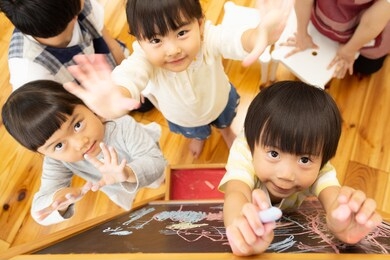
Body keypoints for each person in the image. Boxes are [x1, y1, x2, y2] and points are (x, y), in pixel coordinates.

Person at [62, 0, 293, 158]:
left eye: (182, 33)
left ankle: (225, 131)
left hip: (220, 100)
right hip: (183, 118)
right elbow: (129, 77)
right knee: (196, 131)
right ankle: (200, 137)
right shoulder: (144, 60)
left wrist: (257, 35)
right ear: (140, 42)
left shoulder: (208, 38)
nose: (172, 50)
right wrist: (116, 96)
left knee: (225, 120)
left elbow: (235, 40)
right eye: (155, 40)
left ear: (200, 25)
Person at [218, 81, 382, 256]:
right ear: (252, 146)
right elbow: (237, 192)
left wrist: (341, 219)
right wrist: (240, 226)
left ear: (323, 160)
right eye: (274, 154)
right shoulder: (245, 151)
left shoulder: (320, 167)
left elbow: (333, 197)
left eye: (304, 159)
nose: (286, 175)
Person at [1, 80, 166, 226]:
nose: (81, 143)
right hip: (116, 187)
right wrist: (59, 198)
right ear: (43, 153)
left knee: (159, 179)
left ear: (87, 105)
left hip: (145, 162)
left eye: (77, 125)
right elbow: (40, 210)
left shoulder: (122, 125)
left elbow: (154, 162)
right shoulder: (57, 160)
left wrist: (127, 172)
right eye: (59, 145)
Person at [0, 0, 154, 112]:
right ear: (73, 16)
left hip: (110, 68)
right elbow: (62, 114)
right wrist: (103, 113)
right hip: (87, 103)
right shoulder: (29, 71)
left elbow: (111, 43)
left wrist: (128, 80)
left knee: (145, 99)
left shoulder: (81, 6)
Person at [282, 0, 390, 79]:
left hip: (366, 30)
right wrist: (302, 33)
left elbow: (371, 25)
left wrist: (349, 49)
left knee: (366, 67)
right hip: (326, 14)